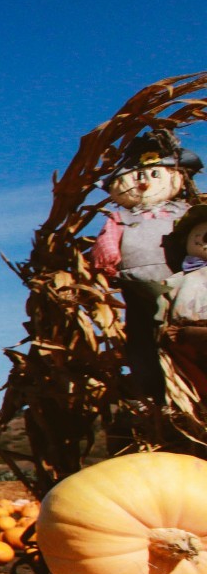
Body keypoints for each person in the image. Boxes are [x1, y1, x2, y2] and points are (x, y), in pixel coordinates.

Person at [90, 129, 202, 398]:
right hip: (137, 286)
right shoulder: (120, 219)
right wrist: (107, 265)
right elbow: (105, 247)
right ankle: (152, 394)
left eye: (154, 174)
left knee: (180, 336)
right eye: (137, 175)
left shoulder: (187, 212)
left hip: (180, 285)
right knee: (142, 338)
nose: (144, 182)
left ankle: (190, 389)